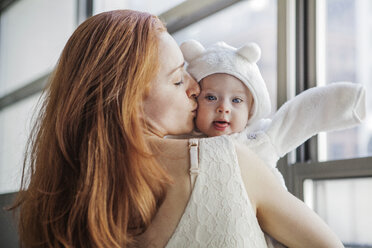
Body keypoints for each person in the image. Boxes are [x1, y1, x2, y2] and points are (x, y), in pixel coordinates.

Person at [10, 10, 345, 248]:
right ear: (129, 99)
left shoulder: (52, 207)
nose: (195, 88)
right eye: (177, 78)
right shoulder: (227, 161)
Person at [180, 39, 366, 188]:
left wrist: (348, 101)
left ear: (252, 109)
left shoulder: (260, 138)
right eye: (211, 97)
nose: (224, 108)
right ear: (194, 100)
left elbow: (301, 114)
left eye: (236, 100)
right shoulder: (180, 143)